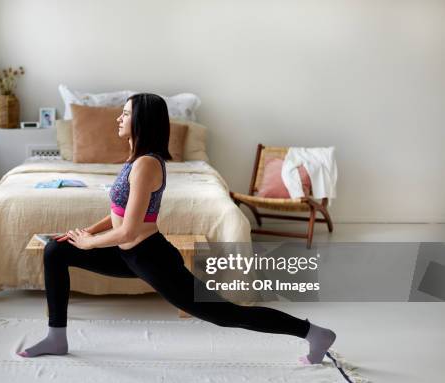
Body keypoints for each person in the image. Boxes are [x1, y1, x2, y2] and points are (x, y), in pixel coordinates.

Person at [18, 93, 336, 364]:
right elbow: (119, 213)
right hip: (126, 253)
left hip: (149, 257)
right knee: (57, 249)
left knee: (228, 315)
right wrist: (83, 234)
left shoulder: (146, 165)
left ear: (141, 122)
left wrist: (90, 244)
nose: (118, 119)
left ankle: (314, 333)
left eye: (126, 114)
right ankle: (56, 337)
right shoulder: (134, 159)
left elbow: (129, 231)